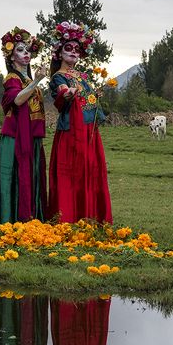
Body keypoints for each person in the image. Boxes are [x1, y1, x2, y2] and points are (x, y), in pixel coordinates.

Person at [46, 21, 112, 223]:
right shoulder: (59, 76)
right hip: (71, 132)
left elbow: (89, 101)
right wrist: (67, 93)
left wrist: (96, 95)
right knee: (72, 173)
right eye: (68, 48)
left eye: (77, 49)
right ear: (59, 52)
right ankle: (68, 219)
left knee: (88, 171)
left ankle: (90, 216)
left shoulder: (82, 77)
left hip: (88, 132)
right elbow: (61, 93)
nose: (73, 52)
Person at [0, 27, 49, 225]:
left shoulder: (28, 79)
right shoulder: (12, 79)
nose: (26, 54)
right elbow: (16, 100)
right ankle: (13, 220)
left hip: (31, 138)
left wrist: (35, 81)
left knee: (31, 178)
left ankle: (32, 220)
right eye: (21, 50)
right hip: (16, 139)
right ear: (11, 57)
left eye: (27, 50)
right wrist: (38, 81)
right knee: (15, 178)